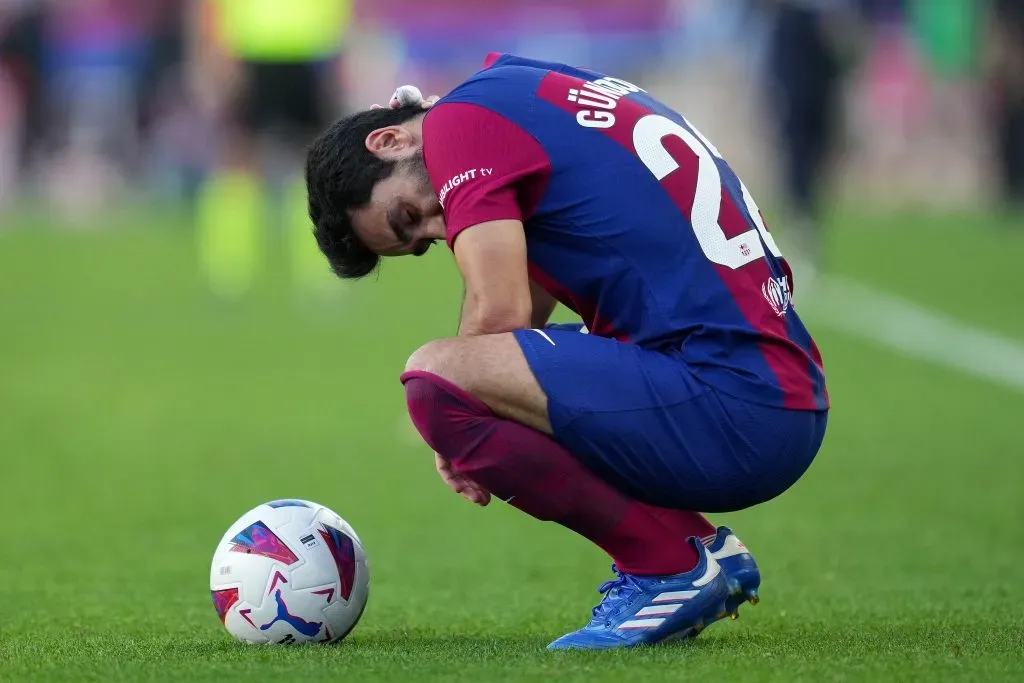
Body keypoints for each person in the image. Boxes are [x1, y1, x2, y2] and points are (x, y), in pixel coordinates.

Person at [304, 53, 829, 650]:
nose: (438, 230)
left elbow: (499, 314)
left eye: (409, 217)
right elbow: (528, 299)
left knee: (430, 377)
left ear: (391, 138)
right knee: (450, 379)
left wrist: (451, 411)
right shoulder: (515, 83)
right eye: (420, 242)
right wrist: (470, 403)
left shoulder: (457, 126)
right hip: (769, 391)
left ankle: (669, 565)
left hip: (731, 401)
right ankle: (696, 555)